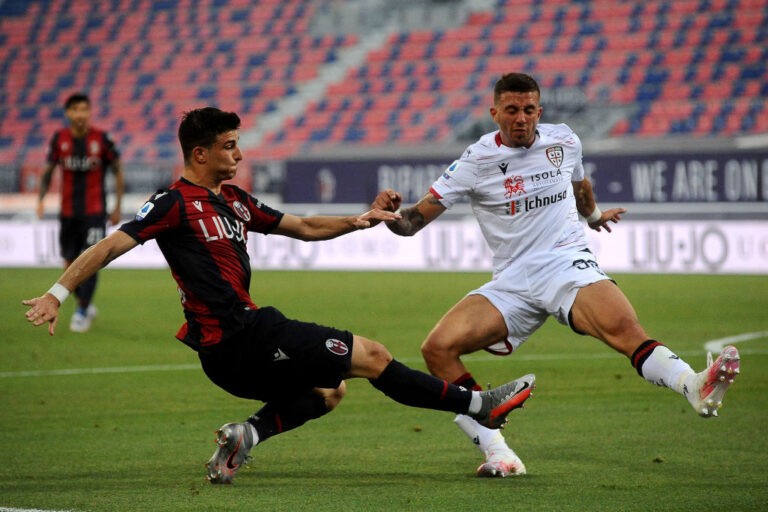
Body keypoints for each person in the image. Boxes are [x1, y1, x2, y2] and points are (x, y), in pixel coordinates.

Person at [22, 107, 536, 484]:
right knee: (374, 356)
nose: (239, 154)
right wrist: (56, 294)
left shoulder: (236, 201)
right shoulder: (173, 203)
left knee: (330, 391)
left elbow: (306, 225)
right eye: (228, 146)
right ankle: (479, 404)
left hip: (232, 352)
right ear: (199, 153)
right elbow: (108, 246)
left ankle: (244, 437)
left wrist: (362, 220)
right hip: (241, 336)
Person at [373, 72, 741, 478]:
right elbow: (413, 222)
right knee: (437, 348)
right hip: (512, 280)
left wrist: (595, 216)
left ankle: (694, 384)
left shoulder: (564, 140)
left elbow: (581, 188)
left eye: (529, 110)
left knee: (622, 327)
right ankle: (500, 454)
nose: (521, 119)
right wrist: (390, 215)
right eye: (511, 110)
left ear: (539, 111)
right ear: (494, 113)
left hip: (565, 261)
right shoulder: (475, 161)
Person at [37, 92, 125, 333]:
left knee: (93, 259)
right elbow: (47, 171)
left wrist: (117, 205)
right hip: (67, 213)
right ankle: (83, 303)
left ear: (89, 112)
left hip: (95, 212)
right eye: (75, 109)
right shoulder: (59, 139)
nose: (80, 114)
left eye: (84, 109)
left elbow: (118, 171)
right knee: (69, 262)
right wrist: (41, 199)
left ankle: (82, 310)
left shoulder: (102, 139)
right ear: (68, 113)